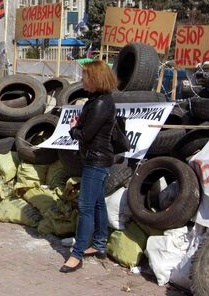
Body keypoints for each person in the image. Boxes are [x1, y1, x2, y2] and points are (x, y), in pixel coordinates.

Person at [60, 60, 117, 273]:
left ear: (95, 79)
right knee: (98, 204)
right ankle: (99, 245)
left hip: (96, 160)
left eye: (85, 76)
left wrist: (73, 129)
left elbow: (85, 135)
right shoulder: (97, 100)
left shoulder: (101, 103)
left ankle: (77, 255)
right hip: (97, 158)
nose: (82, 79)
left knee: (85, 206)